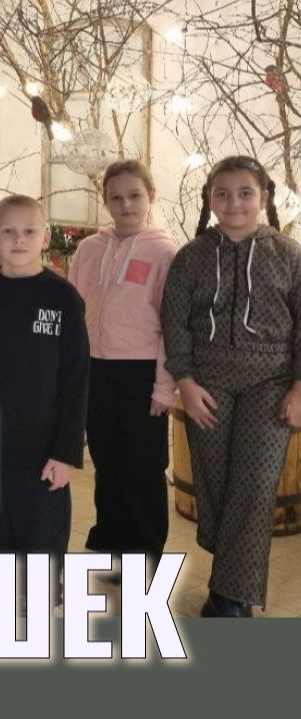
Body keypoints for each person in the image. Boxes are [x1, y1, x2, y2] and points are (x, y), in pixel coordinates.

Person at [161, 155, 301, 618]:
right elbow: (175, 323)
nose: (234, 202)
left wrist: (299, 387)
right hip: (208, 383)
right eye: (222, 193)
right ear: (209, 199)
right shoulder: (191, 257)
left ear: (264, 197)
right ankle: (230, 581)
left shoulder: (290, 255)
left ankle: (229, 600)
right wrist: (185, 382)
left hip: (271, 383)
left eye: (245, 193)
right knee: (217, 486)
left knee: (254, 487)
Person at [0, 195, 88, 582]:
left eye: (29, 231)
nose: (19, 239)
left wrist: (67, 452)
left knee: (41, 532)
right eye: (8, 231)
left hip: (42, 446)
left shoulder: (63, 298)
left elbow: (76, 379)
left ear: (45, 238)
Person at [67, 160, 177, 576]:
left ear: (151, 197)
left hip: (142, 373)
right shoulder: (88, 249)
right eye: (116, 197)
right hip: (96, 370)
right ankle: (110, 541)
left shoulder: (165, 253)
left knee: (144, 468)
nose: (125, 204)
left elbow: (172, 326)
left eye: (134, 195)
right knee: (107, 462)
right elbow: (73, 310)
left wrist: (164, 387)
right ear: (106, 201)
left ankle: (145, 556)